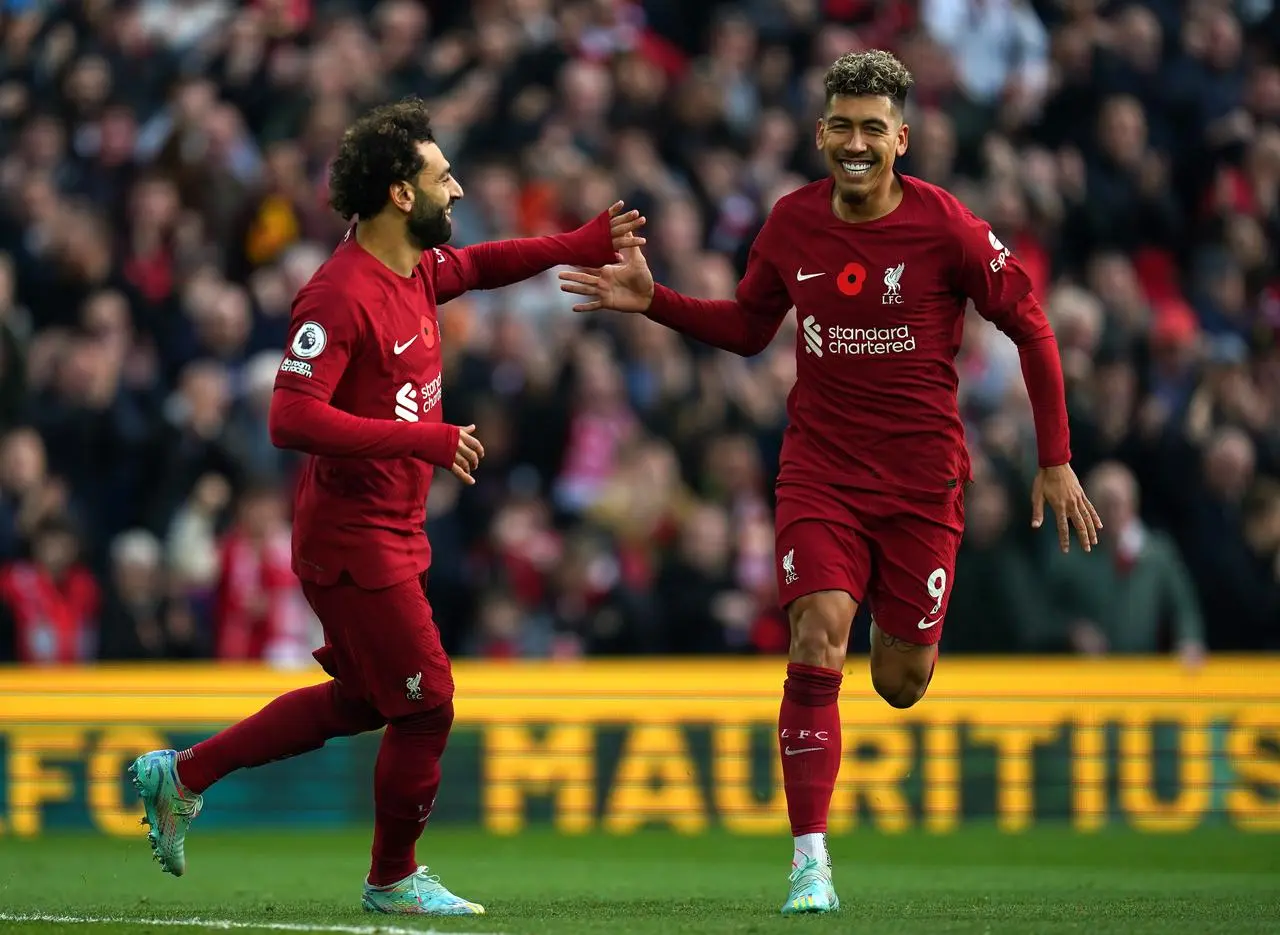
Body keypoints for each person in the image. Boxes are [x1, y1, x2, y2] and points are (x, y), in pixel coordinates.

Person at [559, 51, 1100, 915]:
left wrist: (1055, 455)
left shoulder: (949, 229)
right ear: (821, 133)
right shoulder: (790, 224)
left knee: (899, 682)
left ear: (902, 139)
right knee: (818, 632)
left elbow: (1031, 324)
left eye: (872, 129)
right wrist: (654, 299)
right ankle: (811, 861)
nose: (856, 143)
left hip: (923, 485)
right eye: (842, 126)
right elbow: (746, 327)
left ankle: (898, 624)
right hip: (821, 472)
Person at [129, 98, 646, 916]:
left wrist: (574, 246)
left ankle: (183, 775)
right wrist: (421, 441)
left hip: (392, 529)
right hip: (350, 538)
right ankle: (392, 877)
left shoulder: (416, 270)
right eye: (445, 177)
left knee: (367, 701)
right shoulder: (338, 294)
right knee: (429, 702)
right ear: (403, 194)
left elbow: (481, 264)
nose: (461, 189)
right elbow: (288, 418)